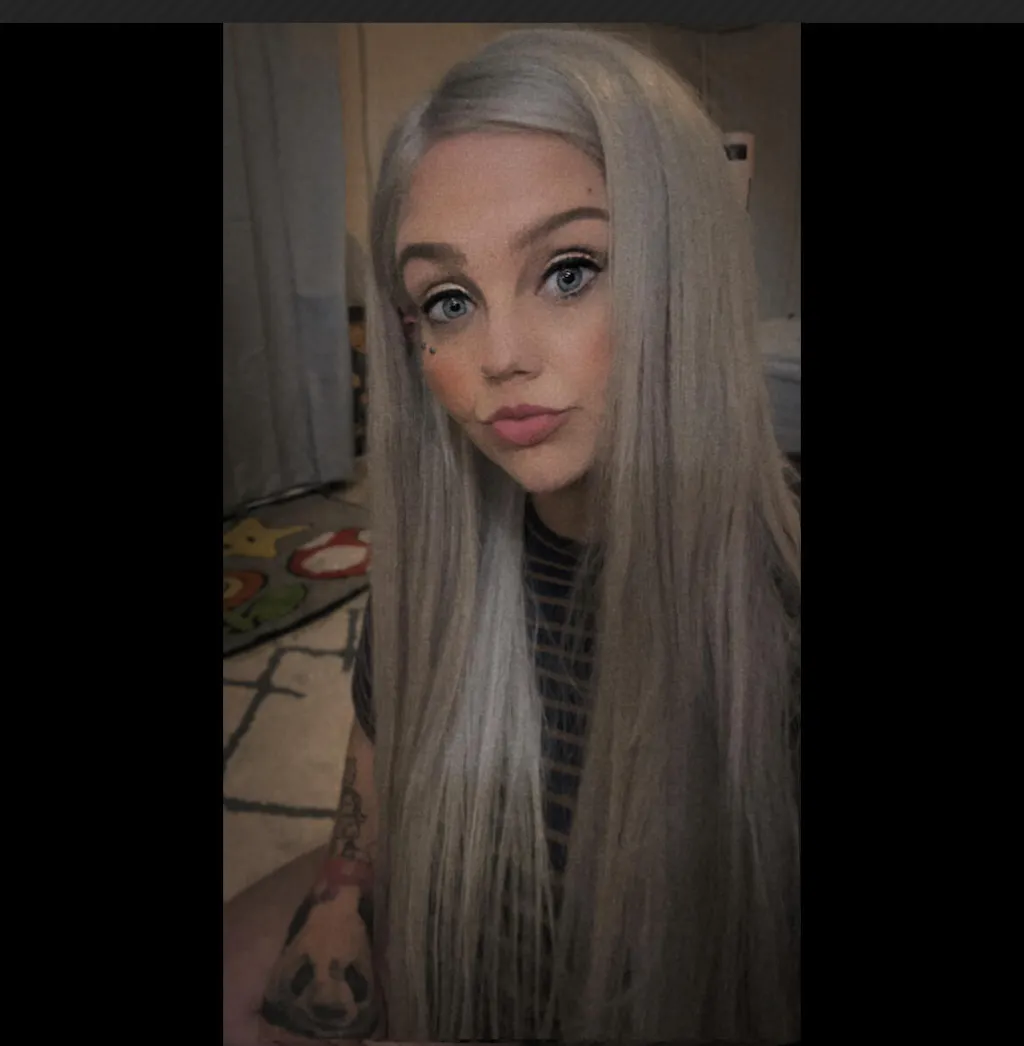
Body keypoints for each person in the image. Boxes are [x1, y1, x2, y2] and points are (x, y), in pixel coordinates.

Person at [224, 26, 801, 1045]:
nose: (500, 356)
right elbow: (380, 724)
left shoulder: (778, 597)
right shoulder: (435, 561)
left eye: (569, 271)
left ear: (683, 270)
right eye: (448, 299)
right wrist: (346, 884)